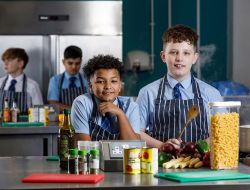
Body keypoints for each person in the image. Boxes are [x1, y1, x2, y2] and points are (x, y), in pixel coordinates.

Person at [136, 24, 223, 149]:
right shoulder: (147, 93)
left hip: (200, 164)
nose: (179, 58)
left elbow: (221, 132)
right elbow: (137, 132)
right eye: (173, 52)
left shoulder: (211, 94)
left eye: (186, 53)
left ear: (195, 58)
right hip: (161, 164)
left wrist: (194, 149)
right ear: (163, 56)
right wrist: (162, 146)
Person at [71, 54, 140, 141]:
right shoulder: (82, 103)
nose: (108, 86)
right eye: (100, 81)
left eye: (113, 81)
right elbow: (84, 146)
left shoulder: (131, 106)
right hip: (92, 155)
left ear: (120, 86)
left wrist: (120, 114)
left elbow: (134, 147)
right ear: (90, 85)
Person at [0, 48, 43, 114]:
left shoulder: (32, 86)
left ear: (21, 63)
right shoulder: (0, 83)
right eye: (4, 60)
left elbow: (40, 112)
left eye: (9, 60)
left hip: (24, 124)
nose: (5, 63)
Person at [47, 45, 89, 110]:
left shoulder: (87, 80)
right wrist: (75, 110)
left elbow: (92, 101)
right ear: (63, 62)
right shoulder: (55, 80)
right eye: (70, 63)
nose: (74, 67)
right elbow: (53, 103)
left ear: (81, 62)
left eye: (77, 63)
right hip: (62, 119)